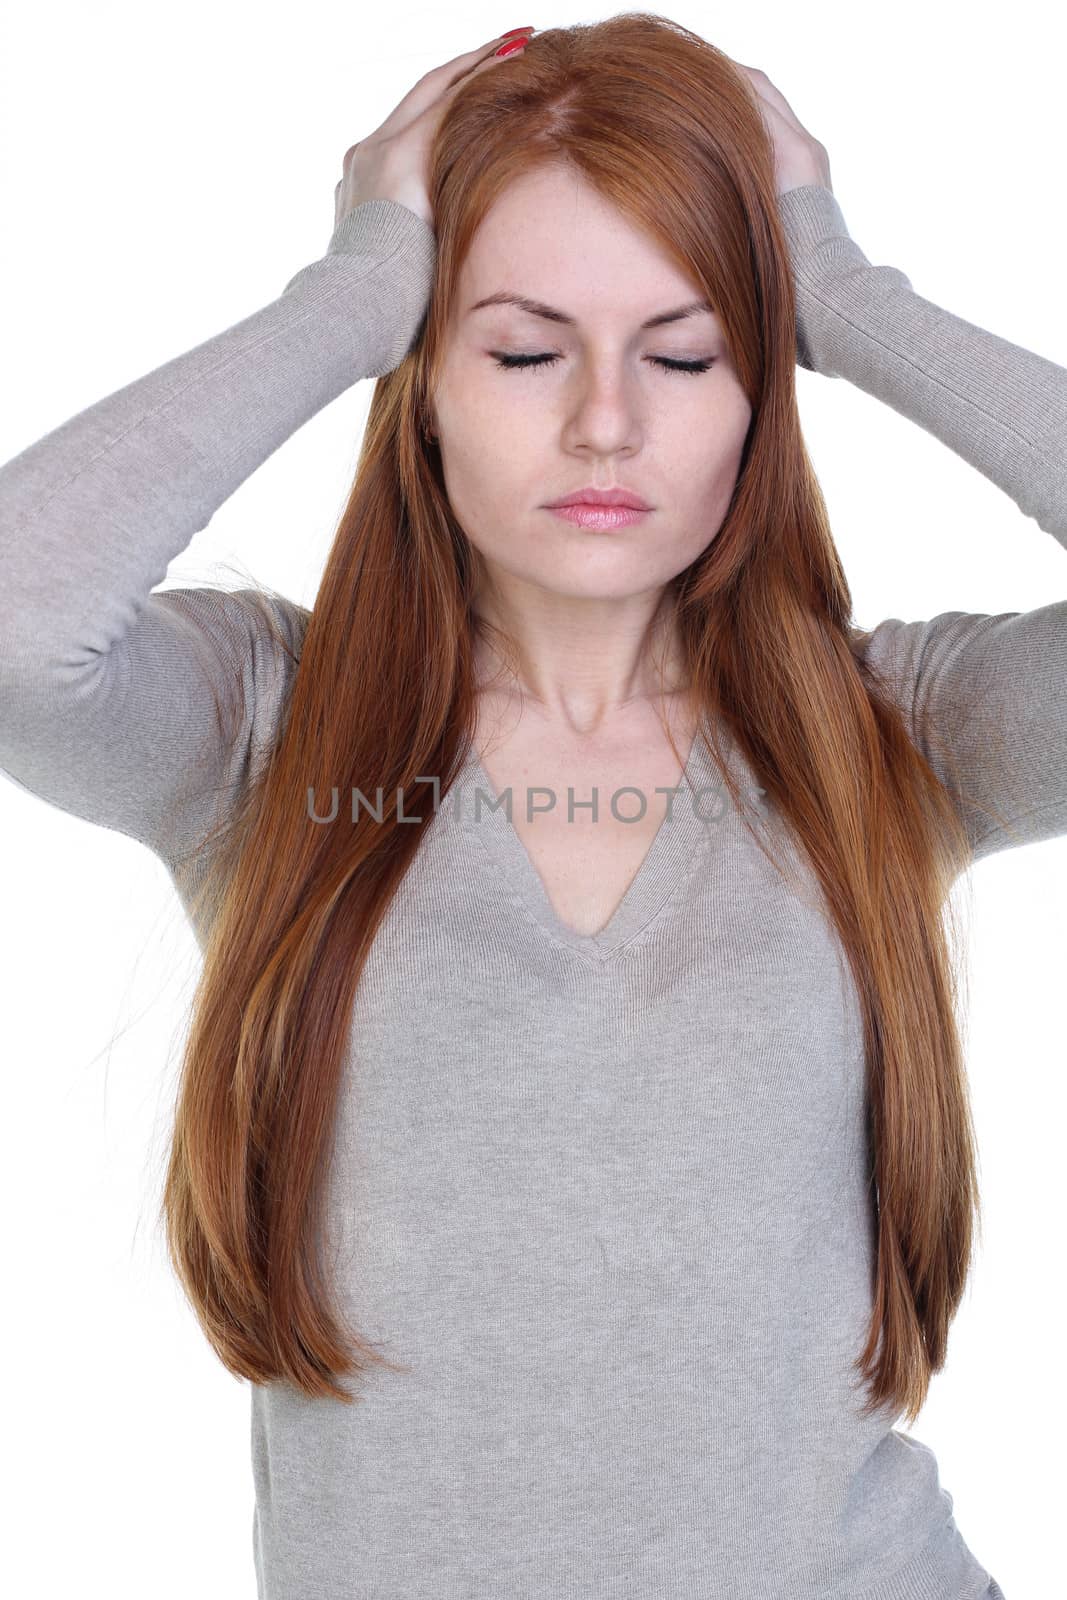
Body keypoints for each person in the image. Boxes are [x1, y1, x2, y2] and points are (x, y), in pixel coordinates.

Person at [1, 16, 1053, 1599]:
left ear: (762, 391)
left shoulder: (897, 736)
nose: (607, 424)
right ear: (421, 381)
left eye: (687, 352)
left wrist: (839, 292)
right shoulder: (265, 733)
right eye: (522, 346)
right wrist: (348, 295)